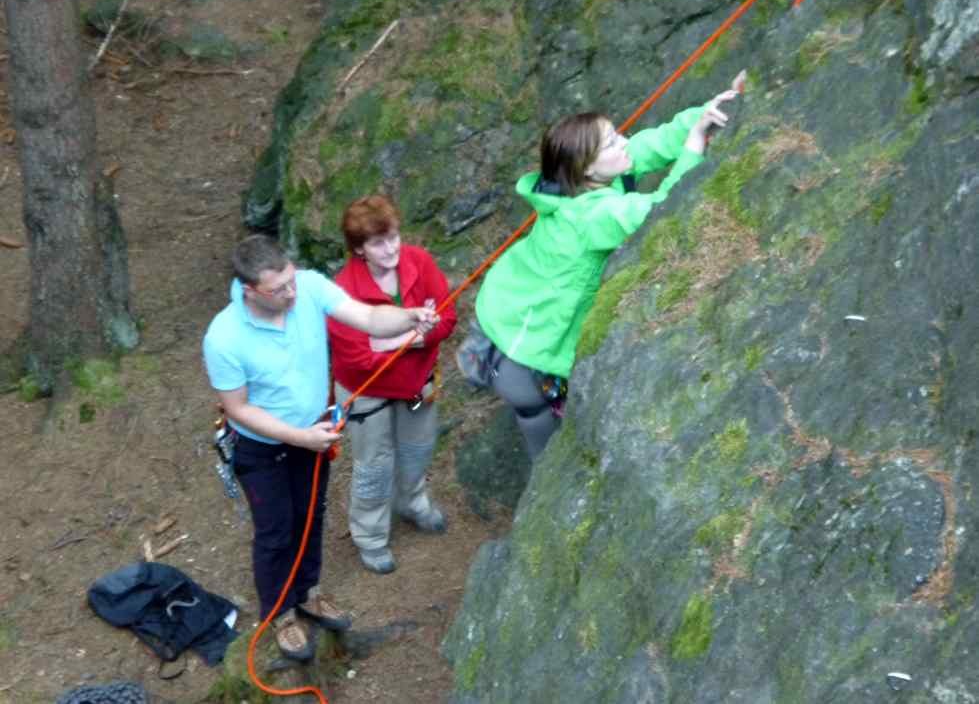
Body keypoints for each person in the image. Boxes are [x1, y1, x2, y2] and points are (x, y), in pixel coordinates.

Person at [473, 74, 744, 458]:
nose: (623, 143)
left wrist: (700, 117)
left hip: (508, 309)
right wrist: (693, 148)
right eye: (611, 143)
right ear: (586, 169)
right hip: (526, 354)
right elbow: (662, 210)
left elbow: (648, 144)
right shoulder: (591, 216)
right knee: (548, 447)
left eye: (617, 134)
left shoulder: (582, 184)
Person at [202, 234, 438, 661]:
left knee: (311, 515)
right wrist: (299, 437)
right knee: (275, 531)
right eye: (279, 290)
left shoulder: (308, 287)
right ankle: (280, 612)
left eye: (292, 280)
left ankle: (309, 592)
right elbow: (237, 409)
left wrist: (407, 318)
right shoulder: (223, 337)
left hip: (312, 435)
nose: (292, 293)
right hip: (262, 450)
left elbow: (365, 317)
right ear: (250, 290)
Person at [328, 195, 458, 574]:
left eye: (394, 236)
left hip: (417, 385)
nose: (391, 249)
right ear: (359, 249)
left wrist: (395, 341)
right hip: (367, 395)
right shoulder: (343, 291)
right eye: (378, 242)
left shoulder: (418, 261)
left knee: (418, 447)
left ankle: (412, 501)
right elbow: (359, 360)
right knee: (374, 466)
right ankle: (370, 536)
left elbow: (447, 318)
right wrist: (416, 336)